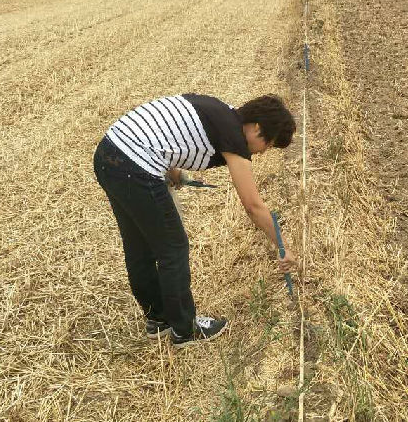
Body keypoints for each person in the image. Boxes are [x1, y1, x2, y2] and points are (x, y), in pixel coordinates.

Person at [93, 93, 297, 348]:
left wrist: (172, 169)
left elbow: (164, 134)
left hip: (108, 155)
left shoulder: (220, 113)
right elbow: (253, 206)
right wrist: (282, 244)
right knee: (173, 248)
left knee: (140, 247)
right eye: (269, 143)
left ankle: (158, 319)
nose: (264, 151)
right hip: (135, 168)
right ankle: (184, 329)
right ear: (257, 127)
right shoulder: (233, 134)